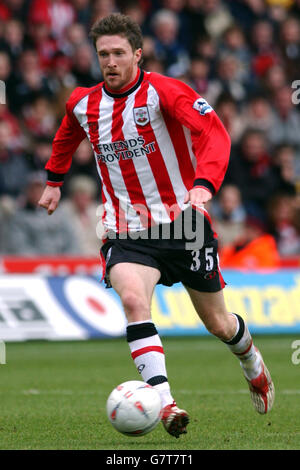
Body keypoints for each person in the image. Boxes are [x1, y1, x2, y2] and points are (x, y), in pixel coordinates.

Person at [38, 13, 275, 438]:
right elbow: (67, 134)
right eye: (103, 54)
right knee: (132, 298)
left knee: (219, 324)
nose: (109, 62)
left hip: (183, 224)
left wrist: (204, 184)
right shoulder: (83, 102)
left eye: (118, 53)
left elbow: (213, 134)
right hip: (126, 229)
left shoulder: (165, 92)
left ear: (137, 54)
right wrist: (54, 181)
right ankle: (164, 403)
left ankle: (251, 361)